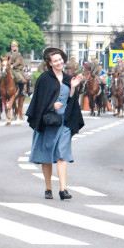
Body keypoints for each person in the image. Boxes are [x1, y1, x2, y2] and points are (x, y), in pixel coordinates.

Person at [26, 48, 85, 199]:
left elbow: (72, 101)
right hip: (49, 123)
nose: (59, 62)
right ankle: (48, 188)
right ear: (50, 63)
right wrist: (52, 105)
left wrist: (73, 88)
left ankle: (63, 189)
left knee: (62, 155)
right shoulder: (44, 79)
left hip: (64, 122)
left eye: (60, 59)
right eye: (55, 61)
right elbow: (39, 101)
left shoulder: (68, 78)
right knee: (47, 155)